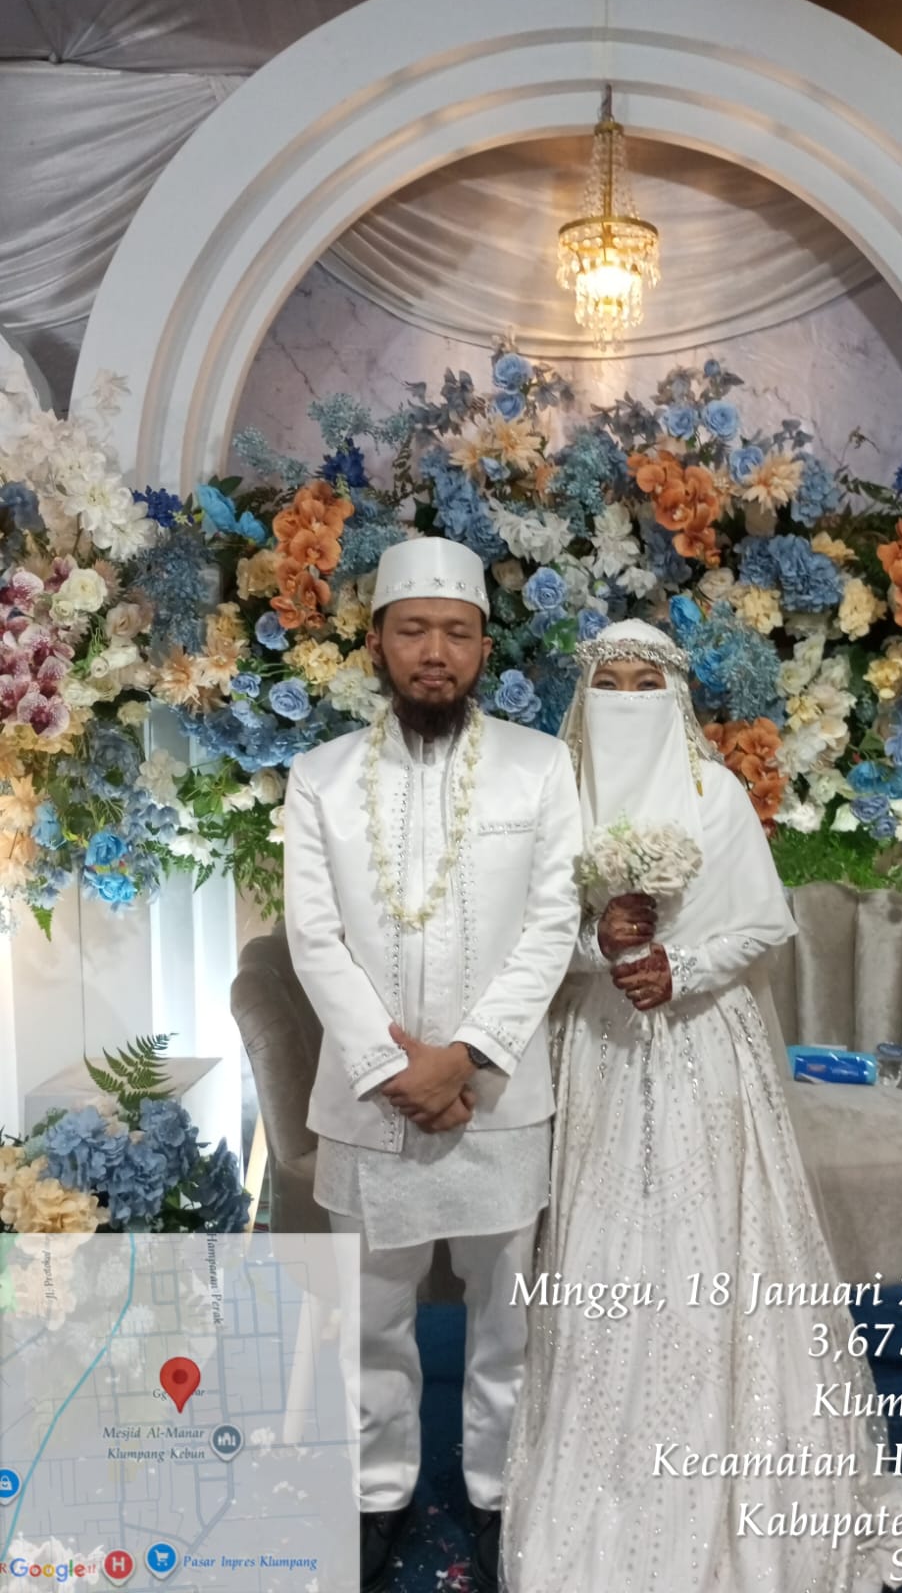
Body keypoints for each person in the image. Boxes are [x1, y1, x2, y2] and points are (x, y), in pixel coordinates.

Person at [501, 620, 902, 1592]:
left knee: (716, 1246)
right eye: (608, 682)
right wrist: (601, 947)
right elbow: (530, 934)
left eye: (643, 682)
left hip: (704, 1049)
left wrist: (679, 967)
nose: (625, 699)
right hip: (598, 1050)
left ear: (677, 696)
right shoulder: (559, 795)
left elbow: (760, 923)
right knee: (605, 1250)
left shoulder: (714, 793)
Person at [283, 537, 582, 1593]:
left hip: (498, 1097)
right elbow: (313, 936)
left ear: (485, 648)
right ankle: (380, 1494)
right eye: (413, 630)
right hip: (371, 1102)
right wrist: (392, 1066)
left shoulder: (540, 767)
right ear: (376, 643)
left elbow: (552, 925)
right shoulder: (319, 777)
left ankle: (500, 1494)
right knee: (372, 1314)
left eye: (456, 632)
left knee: (508, 1314)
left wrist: (463, 1059)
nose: (435, 653)